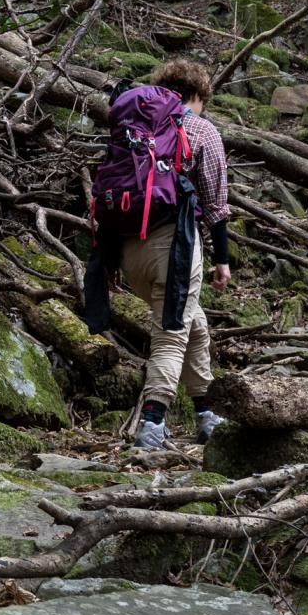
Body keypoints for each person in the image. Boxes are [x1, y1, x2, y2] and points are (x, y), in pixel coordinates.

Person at [82, 58, 233, 450]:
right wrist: (223, 258)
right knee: (171, 336)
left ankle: (205, 412)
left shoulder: (133, 128)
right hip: (175, 249)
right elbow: (216, 204)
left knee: (193, 324)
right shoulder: (200, 129)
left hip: (131, 251)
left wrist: (111, 259)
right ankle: (151, 424)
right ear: (198, 95)